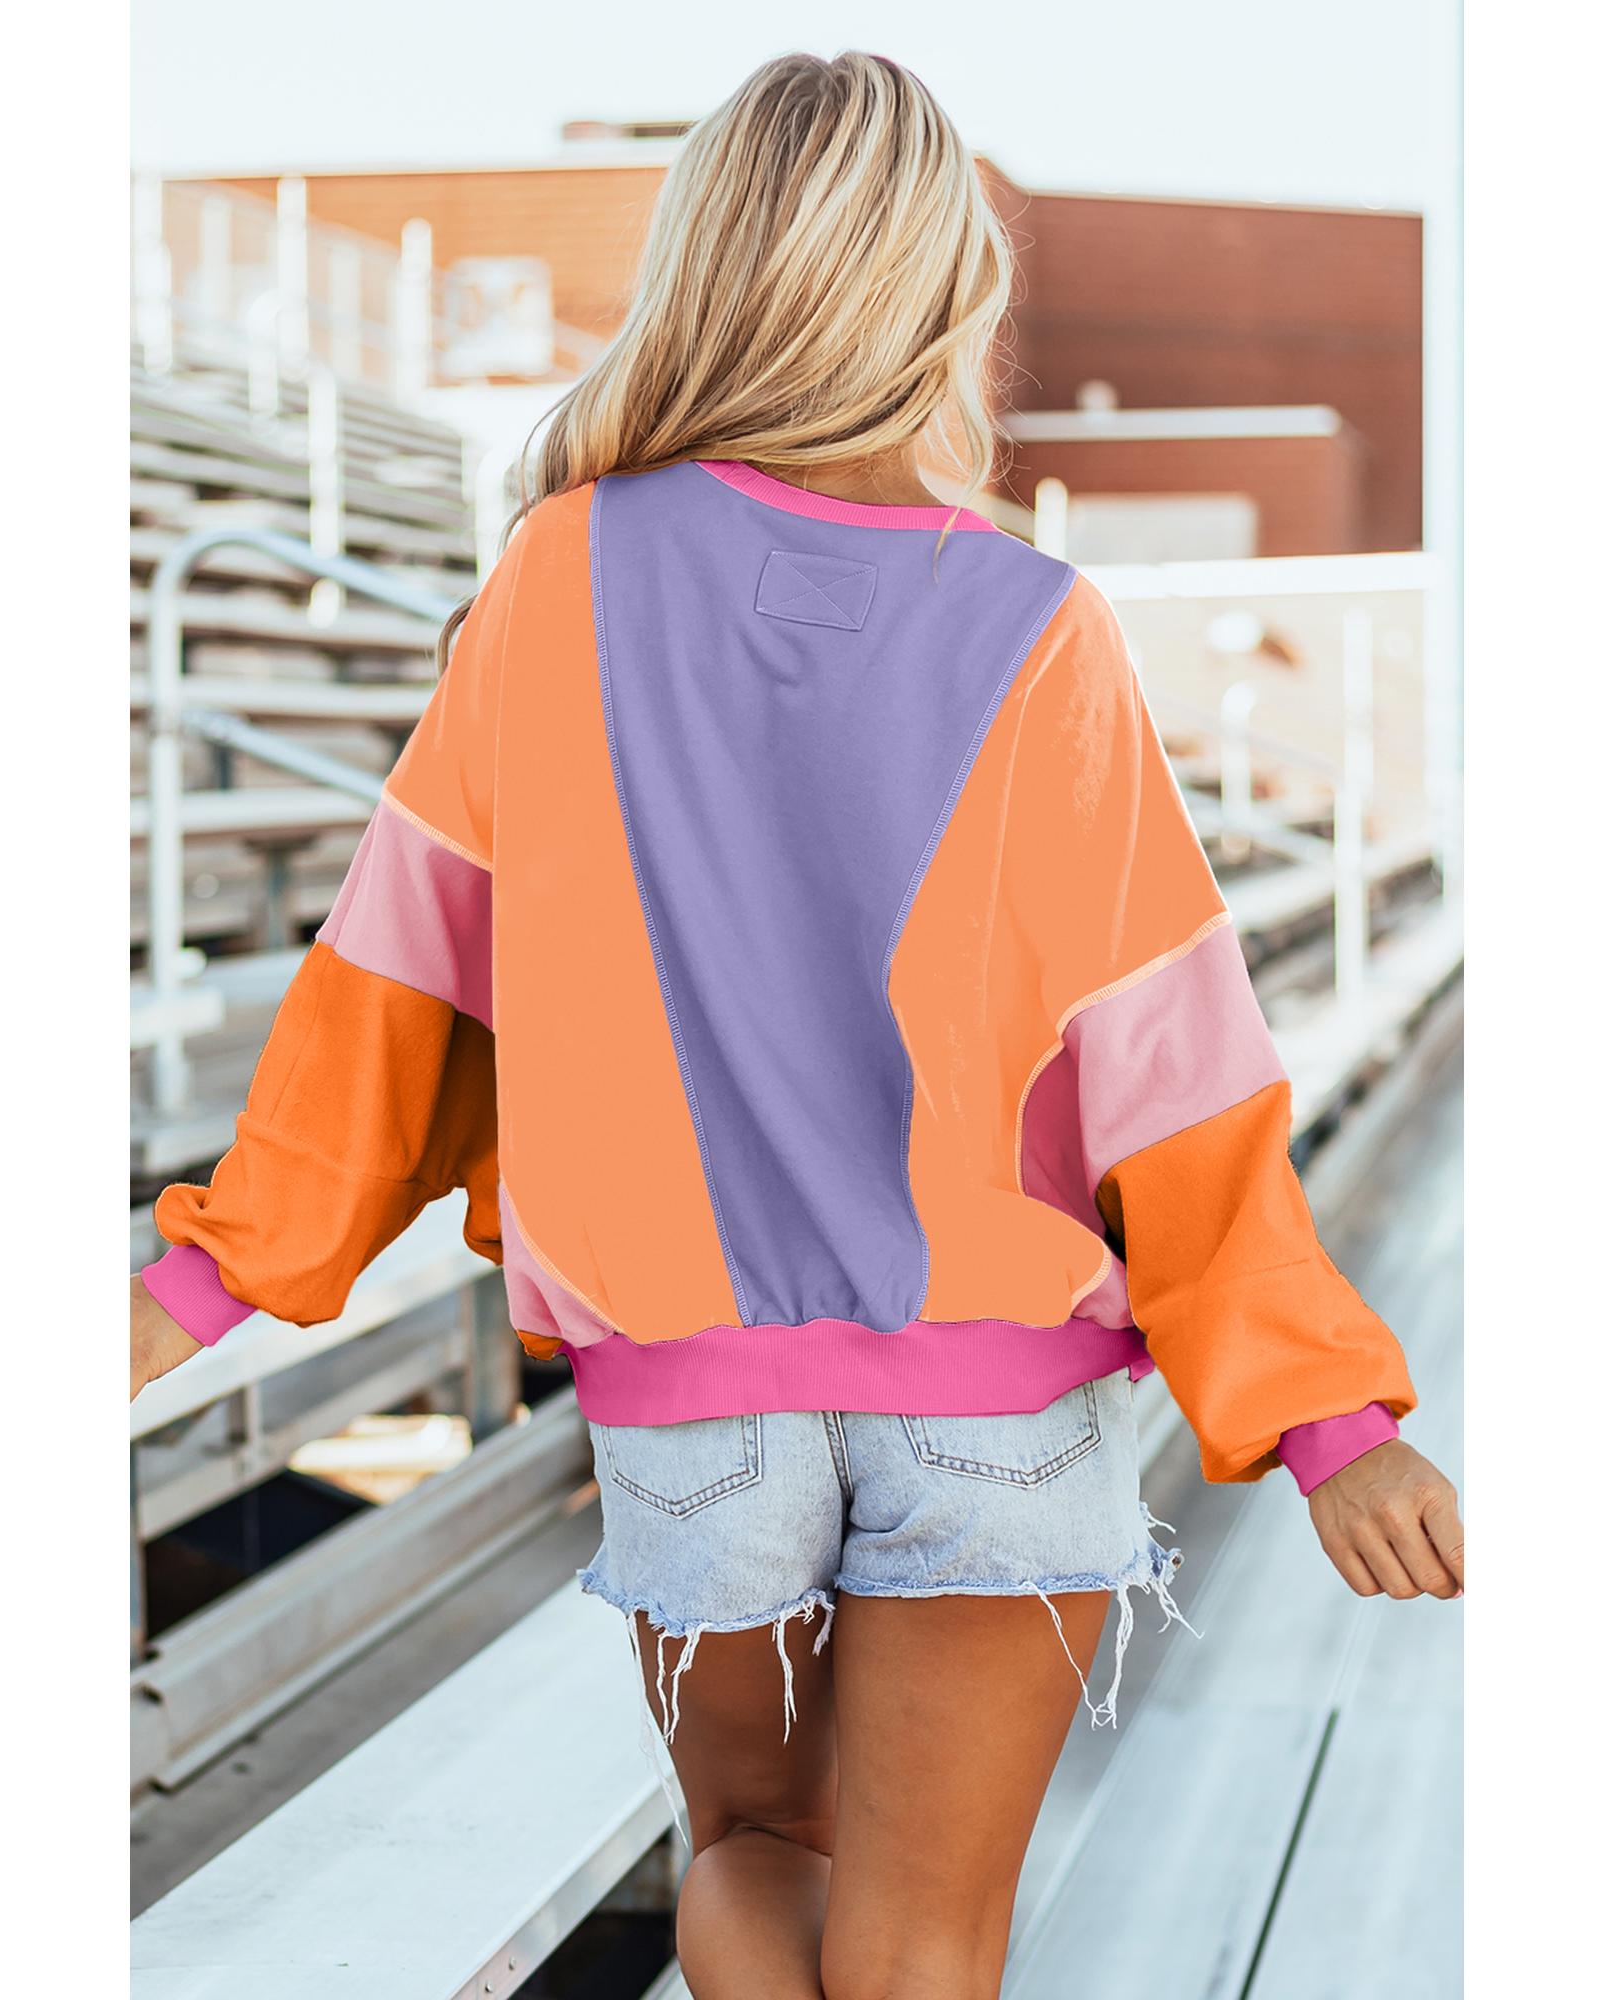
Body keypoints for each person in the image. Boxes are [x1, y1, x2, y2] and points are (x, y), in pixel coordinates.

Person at [129, 51, 1464, 2000]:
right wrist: (1326, 1418)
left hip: (695, 1407)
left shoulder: (555, 578)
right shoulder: (1038, 630)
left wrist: (199, 1284)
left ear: (711, 267)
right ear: (944, 295)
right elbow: (1169, 1070)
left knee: (754, 1858)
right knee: (926, 1946)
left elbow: (396, 985)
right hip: (993, 1392)